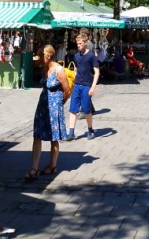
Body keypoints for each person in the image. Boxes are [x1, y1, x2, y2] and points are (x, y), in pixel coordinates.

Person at [28, 44, 70, 181]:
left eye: (40, 57)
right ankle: (34, 168)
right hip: (42, 106)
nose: (39, 60)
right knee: (37, 135)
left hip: (54, 107)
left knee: (54, 137)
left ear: (47, 56)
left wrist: (59, 104)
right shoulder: (45, 68)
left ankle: (52, 165)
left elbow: (67, 90)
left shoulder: (59, 70)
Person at [66, 34, 100, 141]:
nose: (78, 45)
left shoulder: (91, 56)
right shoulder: (76, 56)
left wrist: (93, 87)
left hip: (86, 86)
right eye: (77, 44)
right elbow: (76, 69)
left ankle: (90, 130)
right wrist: (72, 81)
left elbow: (97, 72)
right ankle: (71, 133)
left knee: (86, 110)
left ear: (85, 43)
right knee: (72, 109)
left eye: (80, 43)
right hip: (77, 86)